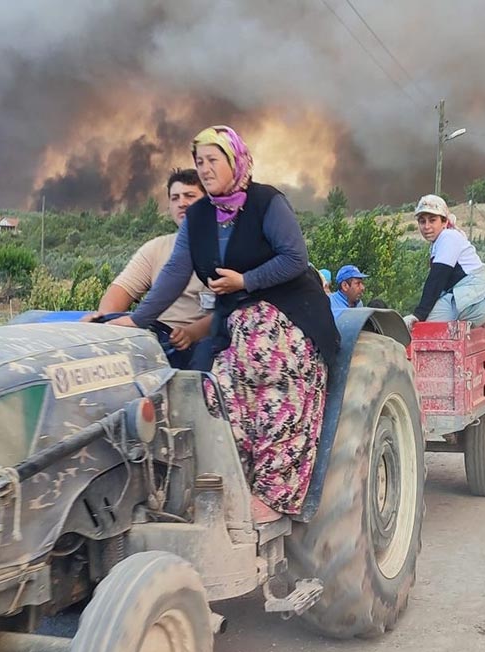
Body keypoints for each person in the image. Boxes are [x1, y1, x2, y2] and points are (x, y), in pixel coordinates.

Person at [109, 125, 338, 523]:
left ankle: (275, 494)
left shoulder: (267, 202)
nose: (205, 167)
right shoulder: (198, 218)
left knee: (267, 368)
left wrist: (245, 281)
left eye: (213, 159)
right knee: (215, 390)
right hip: (237, 322)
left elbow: (294, 258)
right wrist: (136, 319)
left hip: (287, 312)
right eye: (200, 161)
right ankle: (229, 483)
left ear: (235, 161)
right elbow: (172, 277)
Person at [82, 168, 211, 369]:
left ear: (208, 202)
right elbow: (120, 291)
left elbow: (229, 309)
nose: (182, 203)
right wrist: (105, 322)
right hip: (155, 336)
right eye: (175, 198)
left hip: (200, 341)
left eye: (190, 196)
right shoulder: (156, 248)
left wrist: (193, 332)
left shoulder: (224, 247)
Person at [402, 194, 485, 329]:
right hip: (472, 299)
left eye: (432, 220)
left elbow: (437, 278)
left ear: (444, 222)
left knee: (421, 328)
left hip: (471, 300)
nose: (426, 226)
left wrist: (419, 314)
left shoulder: (448, 237)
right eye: (422, 221)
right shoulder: (442, 240)